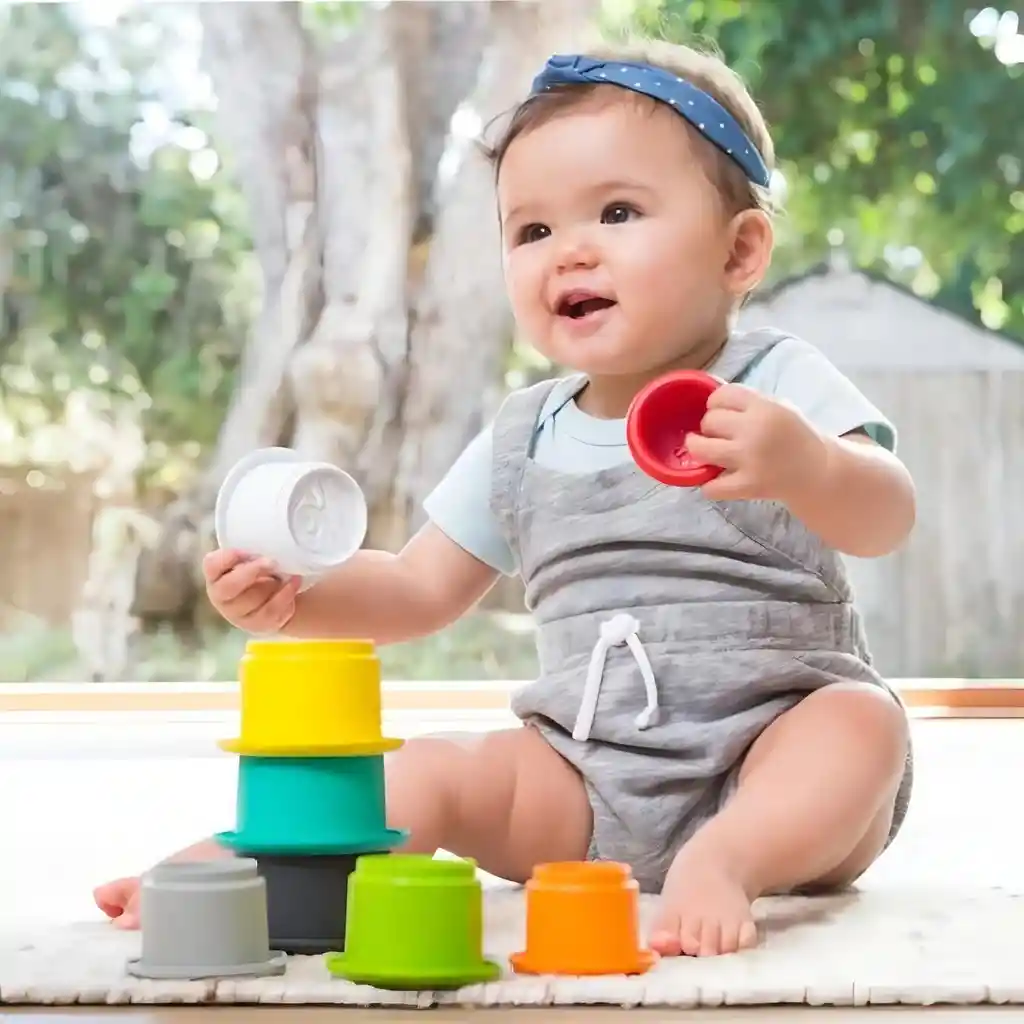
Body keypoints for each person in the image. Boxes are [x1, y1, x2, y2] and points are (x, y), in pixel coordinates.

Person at [95, 39, 916, 959]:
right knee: (436, 767)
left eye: (616, 211)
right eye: (530, 230)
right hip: (583, 782)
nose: (569, 251)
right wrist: (298, 599)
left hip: (776, 770)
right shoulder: (524, 433)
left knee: (861, 722)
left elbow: (886, 517)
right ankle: (251, 874)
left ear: (741, 251)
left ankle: (725, 860)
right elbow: (417, 589)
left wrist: (806, 464)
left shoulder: (774, 384)